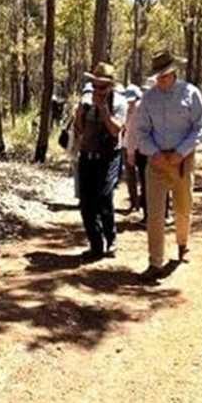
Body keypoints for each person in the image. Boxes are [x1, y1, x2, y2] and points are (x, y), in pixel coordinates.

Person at [134, 51, 202, 279]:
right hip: (156, 162)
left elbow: (201, 127)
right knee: (155, 215)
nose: (161, 80)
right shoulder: (148, 98)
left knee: (183, 208)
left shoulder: (190, 93)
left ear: (174, 73)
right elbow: (141, 131)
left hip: (182, 162)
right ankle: (155, 262)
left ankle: (182, 243)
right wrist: (153, 152)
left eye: (165, 76)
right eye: (158, 77)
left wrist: (182, 151)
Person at [73, 62, 127, 260]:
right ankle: (96, 244)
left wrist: (104, 111)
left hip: (109, 156)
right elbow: (78, 130)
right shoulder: (85, 101)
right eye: (95, 85)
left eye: (102, 86)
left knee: (104, 197)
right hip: (87, 156)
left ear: (111, 86)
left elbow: (116, 129)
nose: (98, 90)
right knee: (86, 203)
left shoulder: (119, 103)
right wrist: (78, 114)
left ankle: (111, 238)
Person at [122, 84, 143, 214]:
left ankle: (142, 202)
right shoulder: (126, 109)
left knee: (142, 176)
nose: (130, 103)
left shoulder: (142, 109)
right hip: (126, 145)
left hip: (140, 148)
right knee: (130, 176)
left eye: (132, 100)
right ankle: (133, 201)